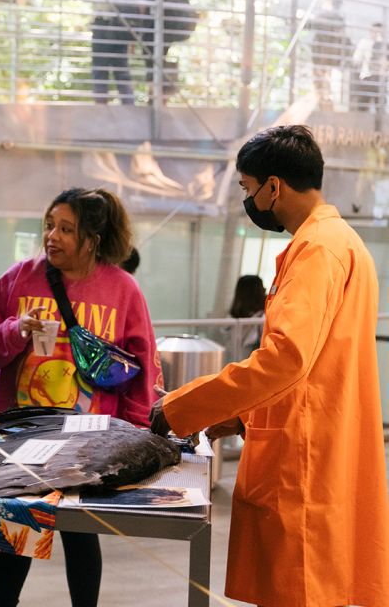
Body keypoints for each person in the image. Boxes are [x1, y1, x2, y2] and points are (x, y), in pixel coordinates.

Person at [150, 125, 389, 606]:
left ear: (273, 186)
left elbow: (288, 357)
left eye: (246, 188)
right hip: (320, 443)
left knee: (299, 589)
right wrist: (239, 414)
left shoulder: (318, 249)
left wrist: (183, 406)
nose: (248, 199)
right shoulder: (342, 243)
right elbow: (318, 368)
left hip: (304, 461)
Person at [0, 187, 162, 607]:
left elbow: (142, 365)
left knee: (80, 532)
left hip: (87, 438)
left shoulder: (123, 290)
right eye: (49, 225)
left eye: (66, 229)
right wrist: (12, 330)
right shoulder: (20, 276)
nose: (51, 236)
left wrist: (130, 432)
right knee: (15, 529)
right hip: (18, 429)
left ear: (93, 239)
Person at [87, 0, 135, 105]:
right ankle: (129, 105)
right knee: (121, 69)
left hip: (103, 23)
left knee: (100, 68)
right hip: (120, 25)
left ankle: (101, 106)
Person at [308, 0, 350, 111]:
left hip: (326, 54)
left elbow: (311, 25)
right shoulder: (338, 18)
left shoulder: (329, 17)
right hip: (326, 54)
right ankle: (324, 101)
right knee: (323, 79)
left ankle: (325, 101)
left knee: (324, 78)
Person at [351, 22, 387, 112]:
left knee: (380, 108)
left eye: (379, 32)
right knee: (362, 108)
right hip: (367, 77)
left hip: (381, 79)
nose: (376, 34)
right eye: (374, 32)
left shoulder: (386, 44)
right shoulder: (364, 42)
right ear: (370, 31)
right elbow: (356, 60)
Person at [228, 274, 265, 360]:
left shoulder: (229, 320)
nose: (265, 290)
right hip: (249, 367)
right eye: (262, 288)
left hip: (230, 366)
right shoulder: (262, 320)